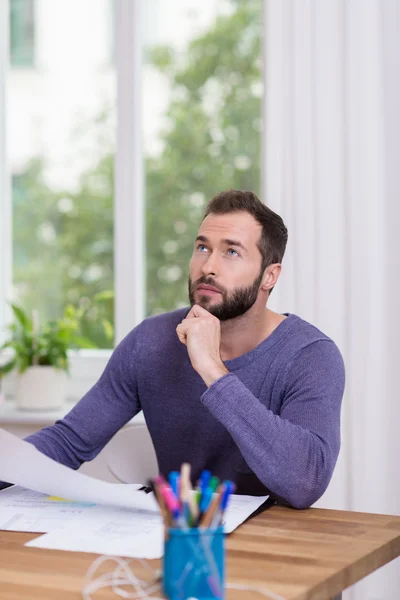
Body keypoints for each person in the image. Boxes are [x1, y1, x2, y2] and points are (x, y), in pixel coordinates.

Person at [18, 190, 345, 509]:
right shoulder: (151, 341)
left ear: (269, 276)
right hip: (176, 536)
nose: (208, 267)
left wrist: (213, 371)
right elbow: (68, 442)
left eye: (231, 252)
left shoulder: (310, 356)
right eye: (203, 247)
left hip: (277, 547)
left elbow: (305, 483)